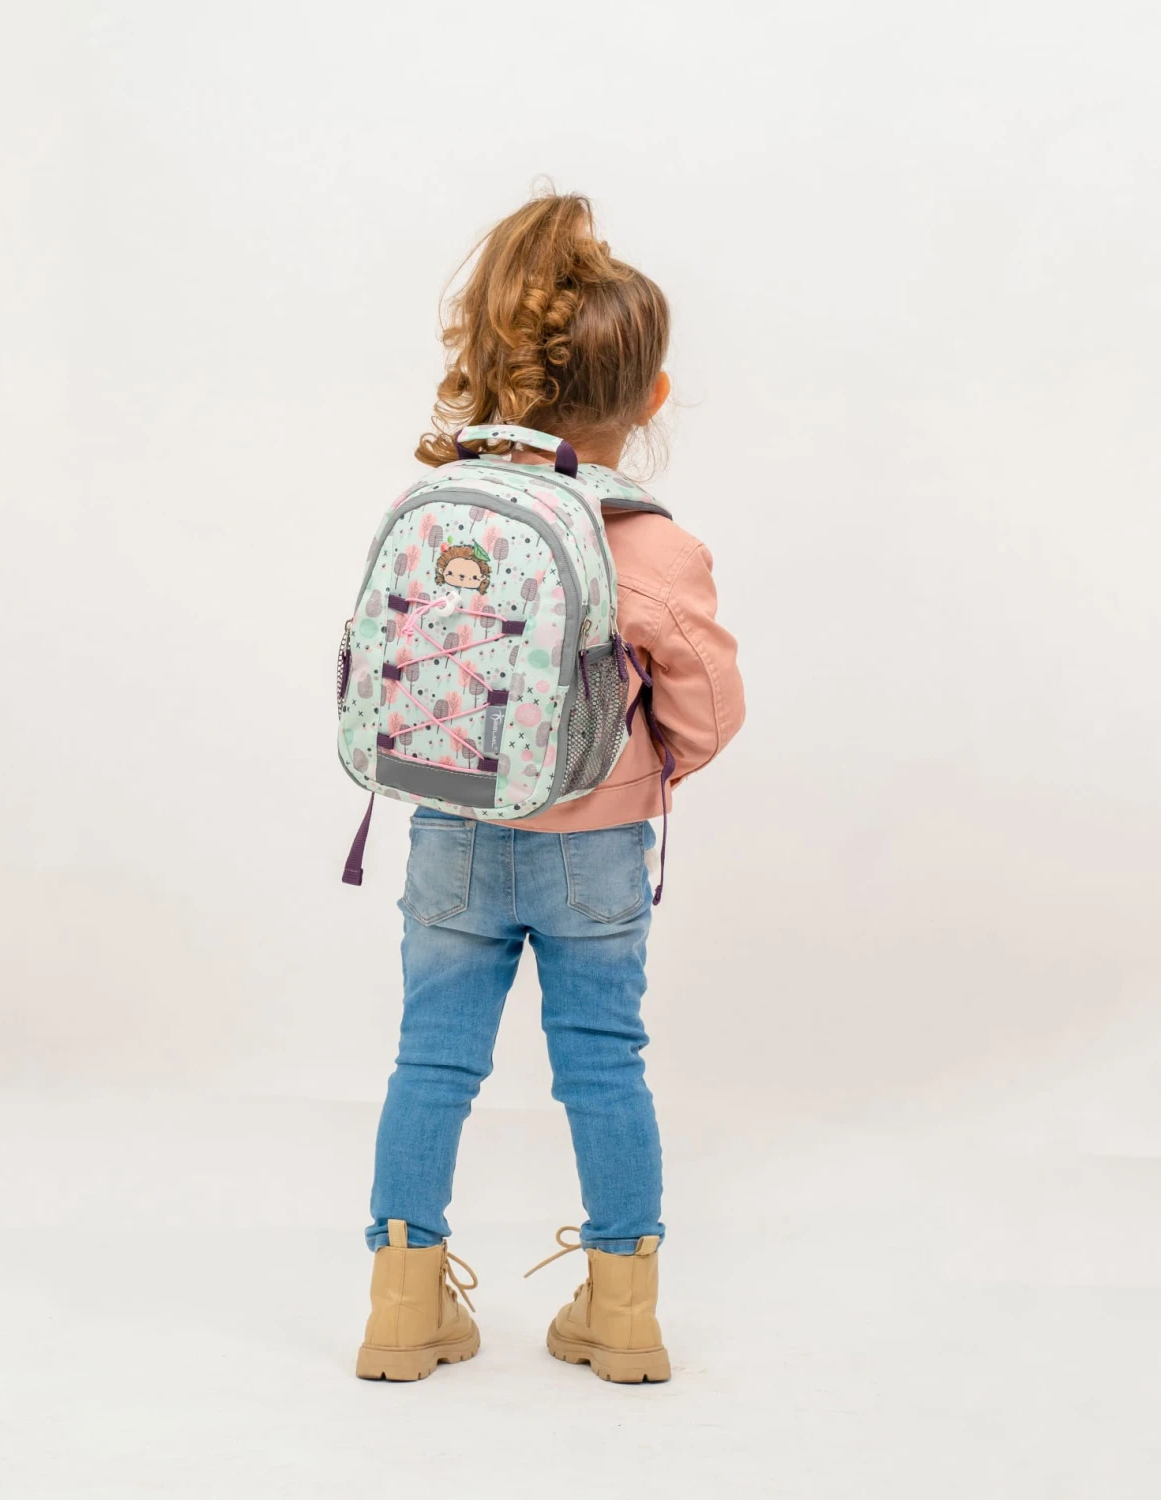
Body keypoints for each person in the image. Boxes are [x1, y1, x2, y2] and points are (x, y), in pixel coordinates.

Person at [356, 191, 745, 1384]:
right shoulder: (654, 547)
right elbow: (710, 713)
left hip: (450, 826)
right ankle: (622, 1315)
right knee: (603, 1065)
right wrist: (649, 762)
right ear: (652, 396)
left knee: (432, 1063)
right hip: (596, 852)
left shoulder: (450, 514)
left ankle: (403, 1310)